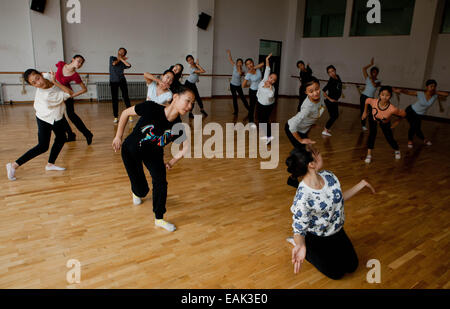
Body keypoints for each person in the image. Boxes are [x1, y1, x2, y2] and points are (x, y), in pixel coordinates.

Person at [112, 86, 194, 232]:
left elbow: (185, 148)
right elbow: (125, 113)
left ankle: (159, 218)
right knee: (142, 191)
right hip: (131, 150)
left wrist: (171, 162)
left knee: (161, 181)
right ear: (175, 97)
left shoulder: (179, 127)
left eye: (192, 104)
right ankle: (137, 192)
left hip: (154, 153)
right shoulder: (151, 107)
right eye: (187, 101)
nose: (190, 106)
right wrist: (118, 136)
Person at [286, 146, 376, 280]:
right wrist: (299, 243)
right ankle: (306, 247)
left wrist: (361, 185)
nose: (322, 155)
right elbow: (299, 228)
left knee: (352, 266)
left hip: (337, 231)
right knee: (336, 273)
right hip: (317, 237)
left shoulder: (329, 176)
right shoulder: (303, 197)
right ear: (311, 164)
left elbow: (337, 199)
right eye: (318, 154)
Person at [6, 69, 73, 181]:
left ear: (41, 75)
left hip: (56, 115)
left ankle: (50, 164)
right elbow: (69, 93)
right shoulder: (47, 96)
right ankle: (13, 165)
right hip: (45, 118)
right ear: (32, 85)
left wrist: (53, 78)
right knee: (42, 146)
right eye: (34, 83)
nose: (39, 83)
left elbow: (49, 74)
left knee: (61, 138)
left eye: (38, 78)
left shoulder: (46, 76)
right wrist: (56, 82)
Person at [285, 78, 326, 188]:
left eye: (317, 89)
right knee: (305, 157)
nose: (315, 93)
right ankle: (293, 178)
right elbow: (292, 126)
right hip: (293, 130)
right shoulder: (307, 107)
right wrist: (300, 140)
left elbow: (321, 99)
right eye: (311, 91)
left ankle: (294, 176)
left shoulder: (321, 94)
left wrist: (311, 123)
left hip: (303, 130)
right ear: (306, 93)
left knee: (306, 154)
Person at [361, 86, 406, 164]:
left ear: (390, 96)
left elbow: (404, 114)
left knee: (389, 137)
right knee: (372, 134)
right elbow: (367, 100)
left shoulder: (392, 109)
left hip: (384, 122)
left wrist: (397, 122)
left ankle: (397, 150)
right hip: (373, 118)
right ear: (379, 95)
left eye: (387, 95)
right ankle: (369, 154)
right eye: (382, 94)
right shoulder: (374, 101)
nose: (384, 97)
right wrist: (365, 112)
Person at [55, 55, 93, 144]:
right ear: (73, 59)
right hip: (56, 94)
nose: (79, 64)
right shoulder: (61, 64)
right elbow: (56, 77)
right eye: (78, 61)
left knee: (71, 115)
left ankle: (87, 134)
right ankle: (70, 135)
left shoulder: (75, 75)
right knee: (60, 115)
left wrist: (72, 95)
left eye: (81, 63)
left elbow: (84, 89)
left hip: (66, 94)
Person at [399, 79, 448, 148]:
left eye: (434, 86)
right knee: (413, 127)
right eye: (431, 86)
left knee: (417, 128)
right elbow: (408, 92)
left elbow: (446, 94)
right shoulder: (420, 93)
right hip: (411, 111)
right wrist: (401, 90)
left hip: (419, 114)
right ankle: (411, 141)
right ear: (426, 87)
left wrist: (436, 92)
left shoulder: (435, 96)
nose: (433, 88)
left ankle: (423, 140)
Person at [256, 54, 277, 144]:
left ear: (274, 82)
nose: (271, 79)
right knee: (260, 120)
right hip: (260, 103)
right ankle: (267, 136)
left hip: (268, 106)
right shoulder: (264, 79)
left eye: (273, 80)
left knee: (264, 121)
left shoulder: (272, 89)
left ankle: (269, 137)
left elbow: (270, 96)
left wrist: (269, 88)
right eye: (271, 77)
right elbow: (267, 68)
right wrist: (267, 59)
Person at [110, 47, 132, 123]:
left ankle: (130, 115)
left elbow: (129, 66)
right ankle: (116, 116)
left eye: (123, 52)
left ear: (124, 54)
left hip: (122, 80)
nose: (121, 52)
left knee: (126, 97)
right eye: (120, 51)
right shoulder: (112, 58)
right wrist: (120, 58)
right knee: (114, 99)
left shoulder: (122, 61)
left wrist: (122, 59)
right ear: (118, 51)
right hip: (113, 81)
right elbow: (114, 63)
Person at [360, 58, 381, 131]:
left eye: (375, 72)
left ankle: (372, 124)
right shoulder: (368, 78)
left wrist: (372, 79)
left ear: (377, 73)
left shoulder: (378, 81)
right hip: (364, 96)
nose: (374, 73)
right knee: (363, 111)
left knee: (372, 112)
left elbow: (375, 85)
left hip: (371, 98)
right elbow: (363, 69)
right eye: (372, 72)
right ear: (371, 72)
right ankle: (363, 125)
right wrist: (371, 64)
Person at [226, 49, 249, 115]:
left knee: (243, 98)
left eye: (240, 62)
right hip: (232, 85)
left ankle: (249, 109)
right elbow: (230, 59)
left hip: (238, 86)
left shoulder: (243, 70)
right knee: (234, 98)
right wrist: (229, 53)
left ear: (242, 64)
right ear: (236, 63)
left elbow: (240, 73)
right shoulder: (234, 66)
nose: (239, 63)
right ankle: (236, 111)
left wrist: (239, 68)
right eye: (238, 62)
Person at [242, 58, 264, 127]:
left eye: (250, 63)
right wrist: (250, 85)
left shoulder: (257, 69)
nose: (249, 65)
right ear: (246, 66)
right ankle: (251, 122)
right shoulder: (248, 74)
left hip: (260, 90)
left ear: (253, 63)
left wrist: (253, 68)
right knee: (252, 107)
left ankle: (259, 120)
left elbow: (263, 63)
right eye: (247, 64)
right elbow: (243, 85)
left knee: (260, 106)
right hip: (253, 91)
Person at [321, 65, 342, 137]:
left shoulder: (338, 77)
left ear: (335, 70)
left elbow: (338, 87)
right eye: (329, 72)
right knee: (335, 116)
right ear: (328, 74)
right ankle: (325, 130)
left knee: (332, 116)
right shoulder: (331, 81)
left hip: (334, 101)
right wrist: (330, 99)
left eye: (332, 71)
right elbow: (323, 91)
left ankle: (327, 128)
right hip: (331, 101)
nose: (331, 73)